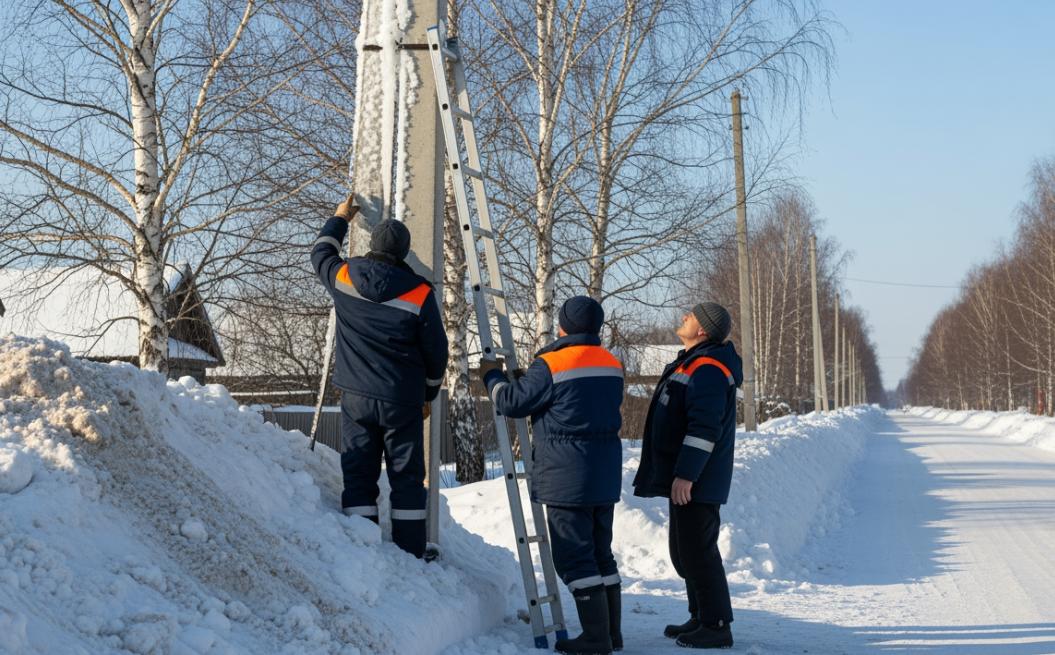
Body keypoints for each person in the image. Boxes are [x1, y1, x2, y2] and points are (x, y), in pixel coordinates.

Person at [481, 296, 625, 655]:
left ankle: (595, 639)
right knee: (600, 553)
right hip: (604, 473)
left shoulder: (551, 363)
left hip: (568, 476)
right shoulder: (612, 362)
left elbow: (512, 402)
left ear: (562, 326)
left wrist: (492, 377)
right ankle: (611, 635)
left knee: (575, 558)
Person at [311, 193, 448, 560]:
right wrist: (428, 395)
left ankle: (362, 547)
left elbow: (320, 252)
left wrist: (340, 217)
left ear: (371, 246)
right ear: (405, 253)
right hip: (402, 401)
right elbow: (438, 355)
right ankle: (410, 552)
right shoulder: (419, 294)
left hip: (355, 397)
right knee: (405, 478)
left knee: (358, 472)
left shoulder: (343, 276)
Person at [632, 302, 742, 650]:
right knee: (684, 553)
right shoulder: (692, 362)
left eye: (691, 316)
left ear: (703, 330)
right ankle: (700, 615)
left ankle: (717, 625)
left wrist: (686, 475)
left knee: (699, 553)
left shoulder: (707, 368)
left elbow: (703, 429)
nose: (684, 317)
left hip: (699, 480)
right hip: (690, 477)